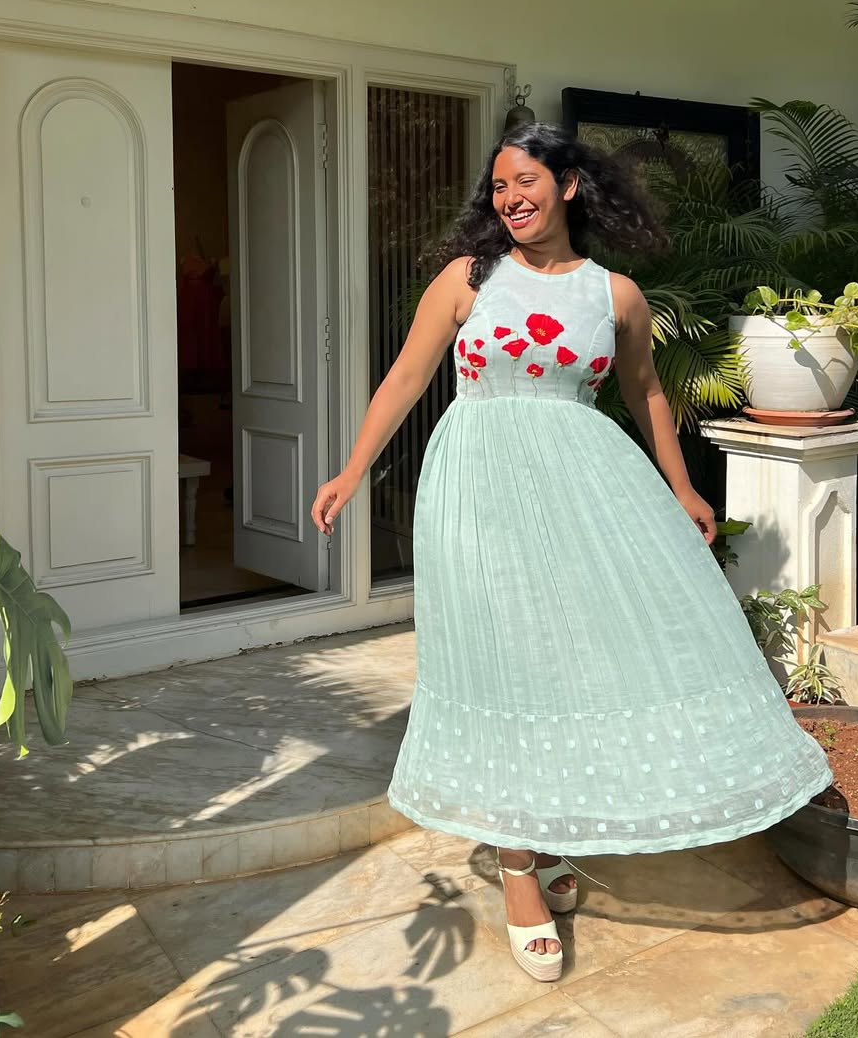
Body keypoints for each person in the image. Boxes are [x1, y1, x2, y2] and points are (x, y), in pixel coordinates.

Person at [311, 123, 831, 982]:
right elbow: (406, 376)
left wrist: (684, 487)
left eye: (525, 182)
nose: (510, 199)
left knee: (569, 659)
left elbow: (648, 392)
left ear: (569, 185)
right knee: (501, 661)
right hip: (477, 486)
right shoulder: (468, 280)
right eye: (499, 188)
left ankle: (545, 827)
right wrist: (352, 469)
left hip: (584, 490)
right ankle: (518, 865)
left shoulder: (616, 295)